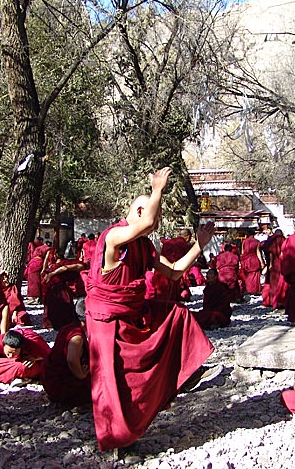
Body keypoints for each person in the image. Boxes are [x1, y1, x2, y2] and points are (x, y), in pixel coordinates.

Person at [84, 167, 219, 451]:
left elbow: (173, 273)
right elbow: (143, 226)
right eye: (153, 216)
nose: (155, 223)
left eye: (157, 218)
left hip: (131, 314)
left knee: (177, 315)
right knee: (113, 381)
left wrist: (199, 245)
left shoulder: (144, 247)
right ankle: (117, 439)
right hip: (107, 321)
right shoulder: (113, 237)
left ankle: (183, 373)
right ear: (139, 212)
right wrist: (157, 189)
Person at [41, 320, 91, 407]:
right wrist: (81, 375)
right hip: (61, 385)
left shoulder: (69, 327)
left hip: (49, 378)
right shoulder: (76, 336)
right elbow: (71, 360)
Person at [262, 228, 284, 308]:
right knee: (282, 282)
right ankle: (283, 301)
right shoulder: (283, 240)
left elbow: (270, 252)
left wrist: (270, 264)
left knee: (274, 284)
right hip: (282, 263)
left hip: (275, 264)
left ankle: (274, 302)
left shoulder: (273, 241)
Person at [240, 229, 265, 294]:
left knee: (248, 277)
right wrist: (262, 262)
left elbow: (242, 252)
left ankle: (248, 290)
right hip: (254, 260)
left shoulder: (244, 242)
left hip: (246, 261)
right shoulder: (257, 242)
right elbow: (258, 253)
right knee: (255, 276)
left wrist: (242, 262)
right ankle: (255, 290)